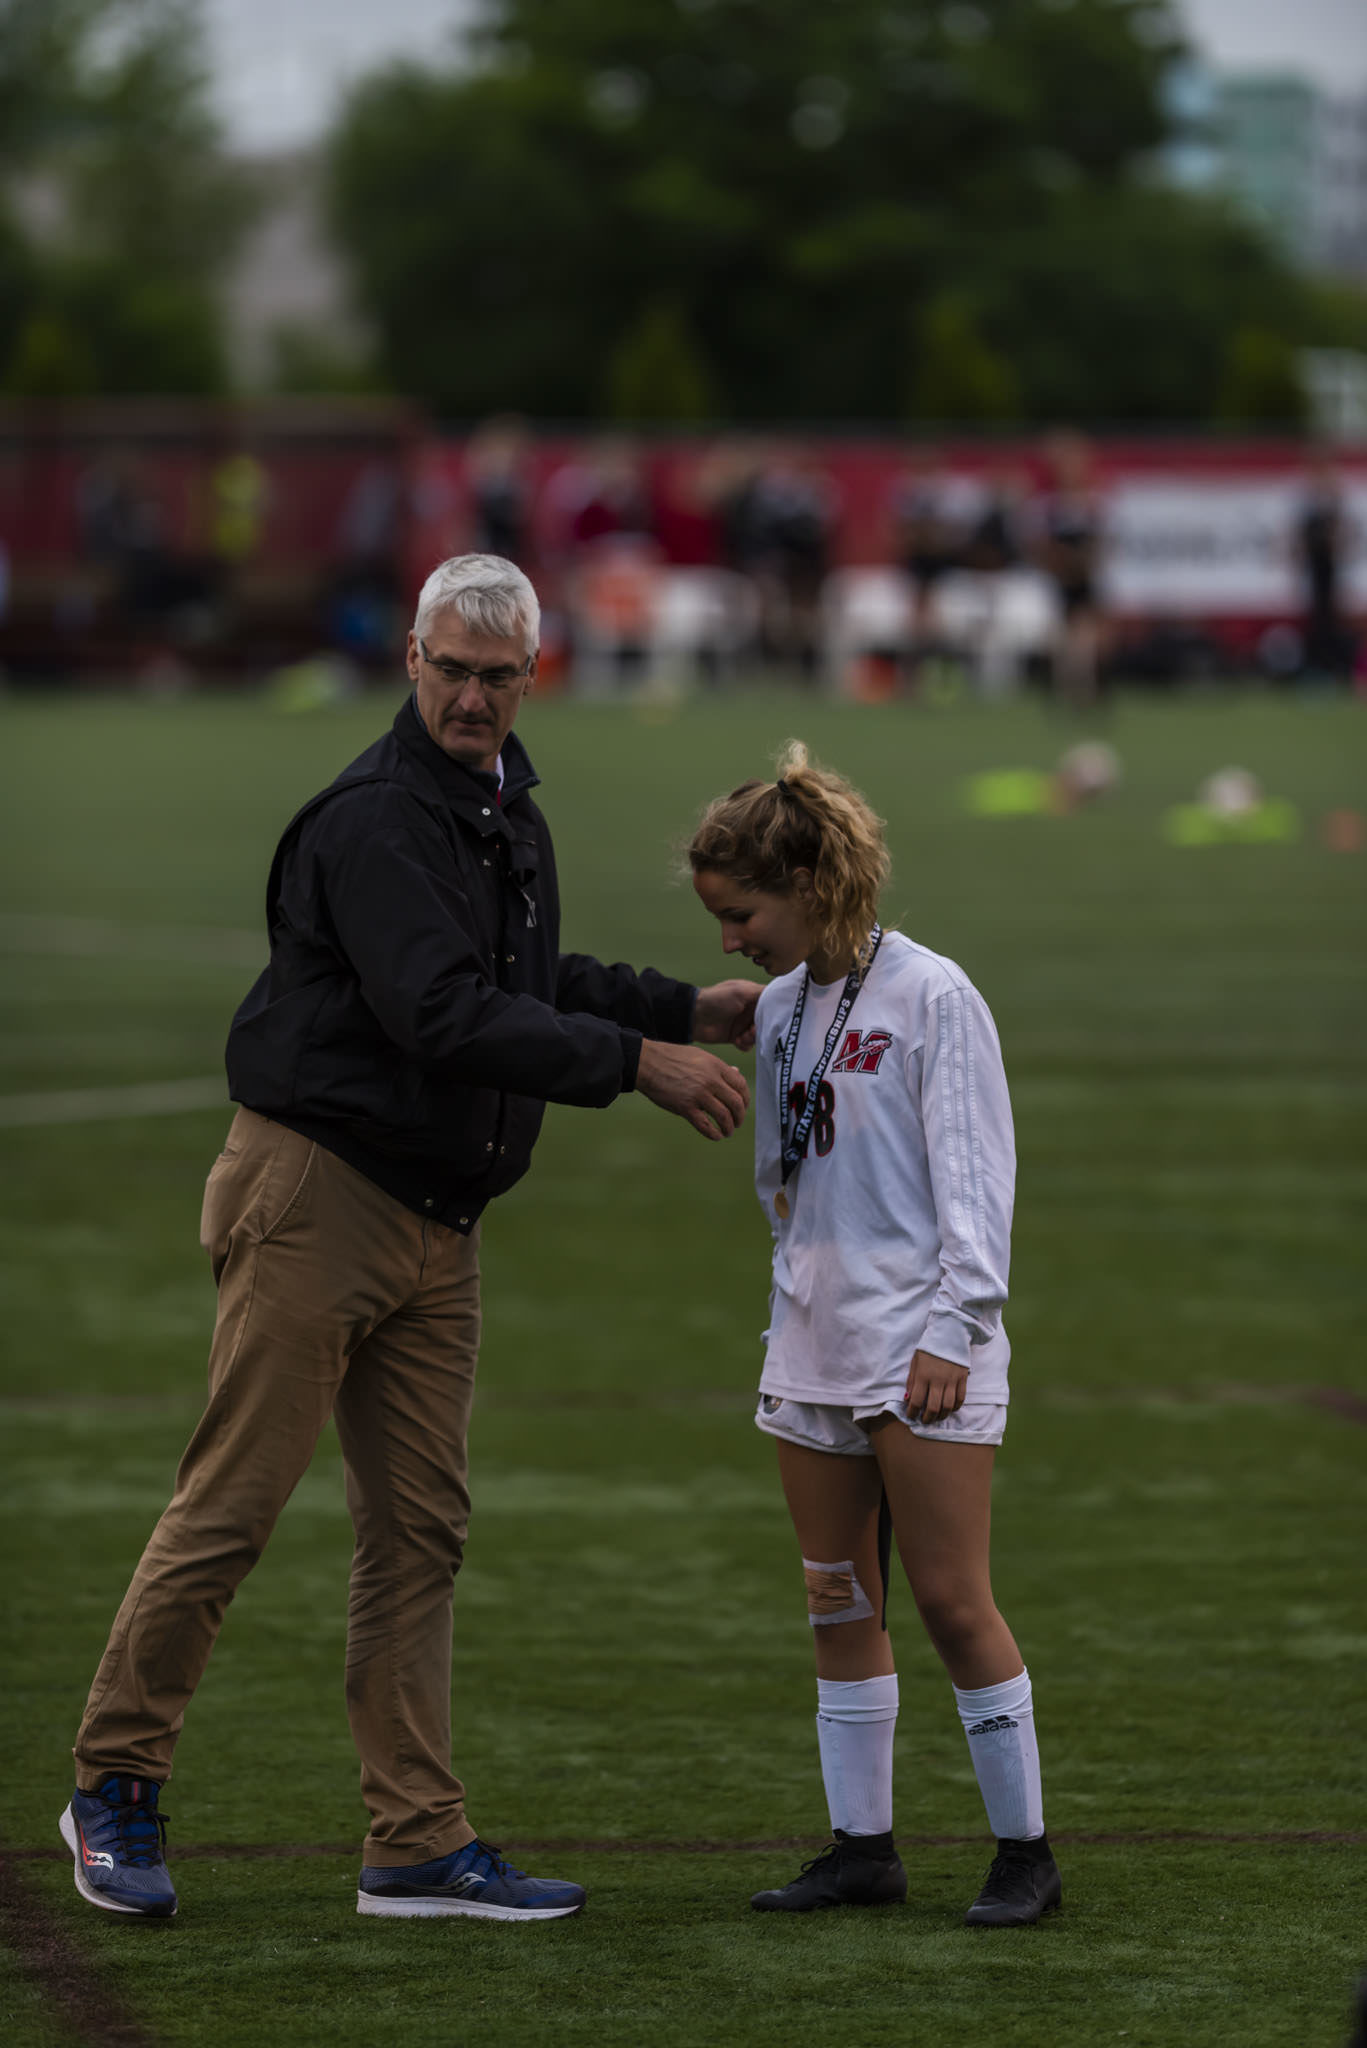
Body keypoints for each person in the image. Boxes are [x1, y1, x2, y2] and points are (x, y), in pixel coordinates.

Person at [61, 553, 757, 1927]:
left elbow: (524, 977)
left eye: (499, 677)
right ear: (412, 664)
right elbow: (441, 1011)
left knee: (419, 1533)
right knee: (232, 1507)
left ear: (529, 676)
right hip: (316, 1194)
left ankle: (415, 1841)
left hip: (439, 1221)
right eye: (452, 670)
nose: (474, 698)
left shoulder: (505, 811)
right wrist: (636, 1064)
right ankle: (113, 1788)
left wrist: (686, 1007)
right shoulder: (376, 820)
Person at [687, 742, 1060, 1930]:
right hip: (813, 1343)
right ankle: (861, 1848)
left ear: (807, 884)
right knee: (836, 1599)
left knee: (952, 1600)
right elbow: (780, 1183)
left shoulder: (932, 995)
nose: (729, 941)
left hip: (922, 1344)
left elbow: (975, 1180)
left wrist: (955, 1324)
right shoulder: (783, 1009)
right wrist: (793, 1300)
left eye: (740, 913)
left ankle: (1024, 1853)